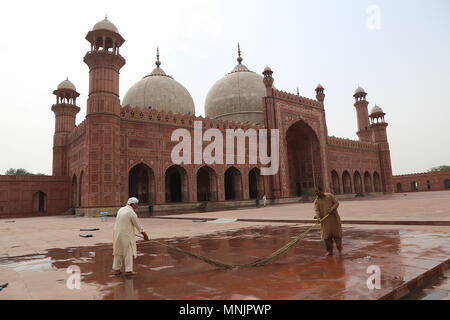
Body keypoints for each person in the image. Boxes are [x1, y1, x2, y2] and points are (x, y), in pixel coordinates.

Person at [112, 197, 149, 276]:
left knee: (118, 251)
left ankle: (117, 270)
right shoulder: (131, 213)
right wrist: (145, 235)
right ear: (132, 204)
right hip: (126, 235)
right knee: (128, 252)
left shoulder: (121, 209)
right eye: (136, 204)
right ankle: (128, 271)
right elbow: (138, 226)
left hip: (117, 233)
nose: (137, 206)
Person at [313, 187, 343, 256]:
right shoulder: (316, 201)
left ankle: (339, 250)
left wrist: (332, 208)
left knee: (337, 236)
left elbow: (336, 203)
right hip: (325, 221)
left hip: (334, 220)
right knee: (326, 238)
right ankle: (330, 251)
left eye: (317, 192)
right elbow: (317, 210)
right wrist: (318, 217)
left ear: (321, 191)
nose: (316, 193)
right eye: (315, 192)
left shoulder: (330, 196)